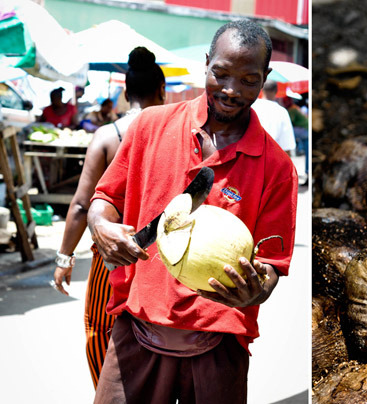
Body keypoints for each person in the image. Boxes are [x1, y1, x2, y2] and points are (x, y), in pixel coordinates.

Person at [87, 20, 297, 403]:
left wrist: (256, 290)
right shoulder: (149, 127)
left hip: (219, 344)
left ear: (265, 78)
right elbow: (104, 199)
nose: (231, 90)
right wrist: (100, 224)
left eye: (249, 79)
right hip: (137, 329)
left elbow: (270, 264)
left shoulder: (277, 168)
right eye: (221, 74)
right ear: (206, 64)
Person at [52, 46, 167, 388]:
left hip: (111, 254)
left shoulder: (107, 136)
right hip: (163, 252)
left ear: (126, 92)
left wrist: (64, 257)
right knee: (161, 330)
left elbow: (81, 206)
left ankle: (112, 394)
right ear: (161, 90)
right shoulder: (172, 135)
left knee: (102, 327)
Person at [252, 80, 296, 155]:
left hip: (250, 155)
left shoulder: (251, 107)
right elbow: (287, 144)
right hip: (272, 157)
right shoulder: (282, 111)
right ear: (276, 91)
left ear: (261, 89)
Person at [282, 95, 309, 184]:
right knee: (307, 152)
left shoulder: (292, 110)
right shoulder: (295, 107)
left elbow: (290, 122)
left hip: (303, 130)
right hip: (305, 130)